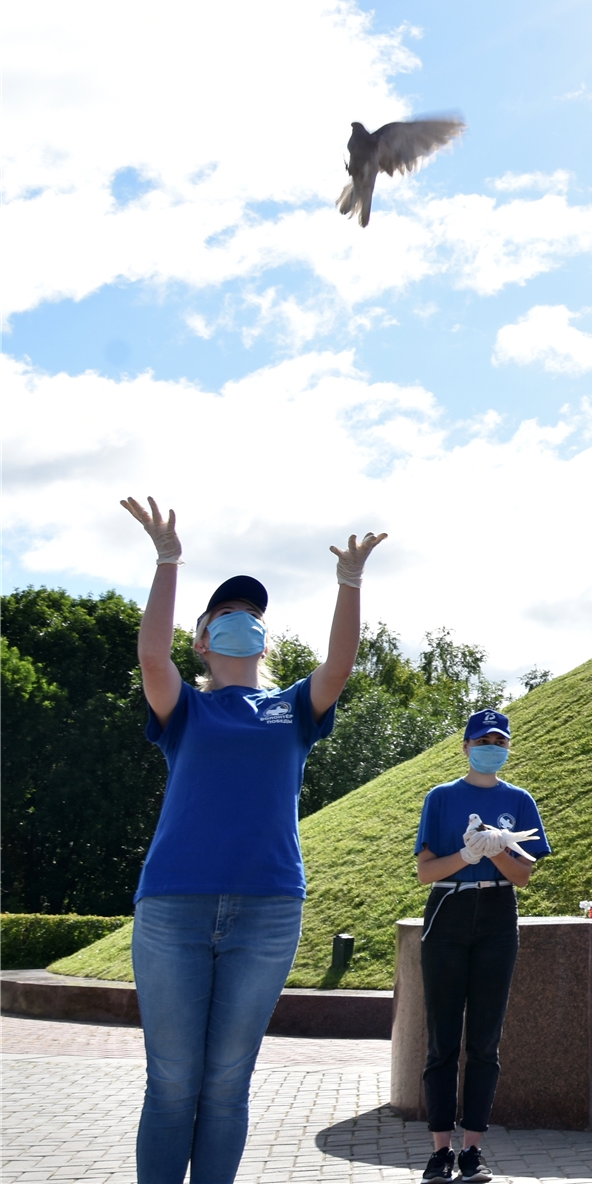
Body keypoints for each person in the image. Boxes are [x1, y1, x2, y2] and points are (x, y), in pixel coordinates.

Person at [118, 496, 385, 1184]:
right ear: (203, 639)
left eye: (253, 617)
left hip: (268, 912)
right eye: (225, 616)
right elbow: (151, 654)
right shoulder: (187, 707)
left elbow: (340, 665)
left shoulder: (292, 708)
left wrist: (349, 584)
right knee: (174, 1083)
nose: (241, 621)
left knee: (227, 1086)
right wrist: (168, 562)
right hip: (173, 910)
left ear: (264, 642)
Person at [413, 709, 547, 1184]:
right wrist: (467, 854)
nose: (493, 745)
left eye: (501, 740)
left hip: (496, 915)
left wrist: (499, 849)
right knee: (443, 1040)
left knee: (485, 1041)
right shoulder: (442, 797)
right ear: (466, 746)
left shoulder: (520, 799)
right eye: (483, 739)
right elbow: (426, 871)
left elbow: (524, 877)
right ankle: (438, 1151)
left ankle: (473, 1150)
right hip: (448, 912)